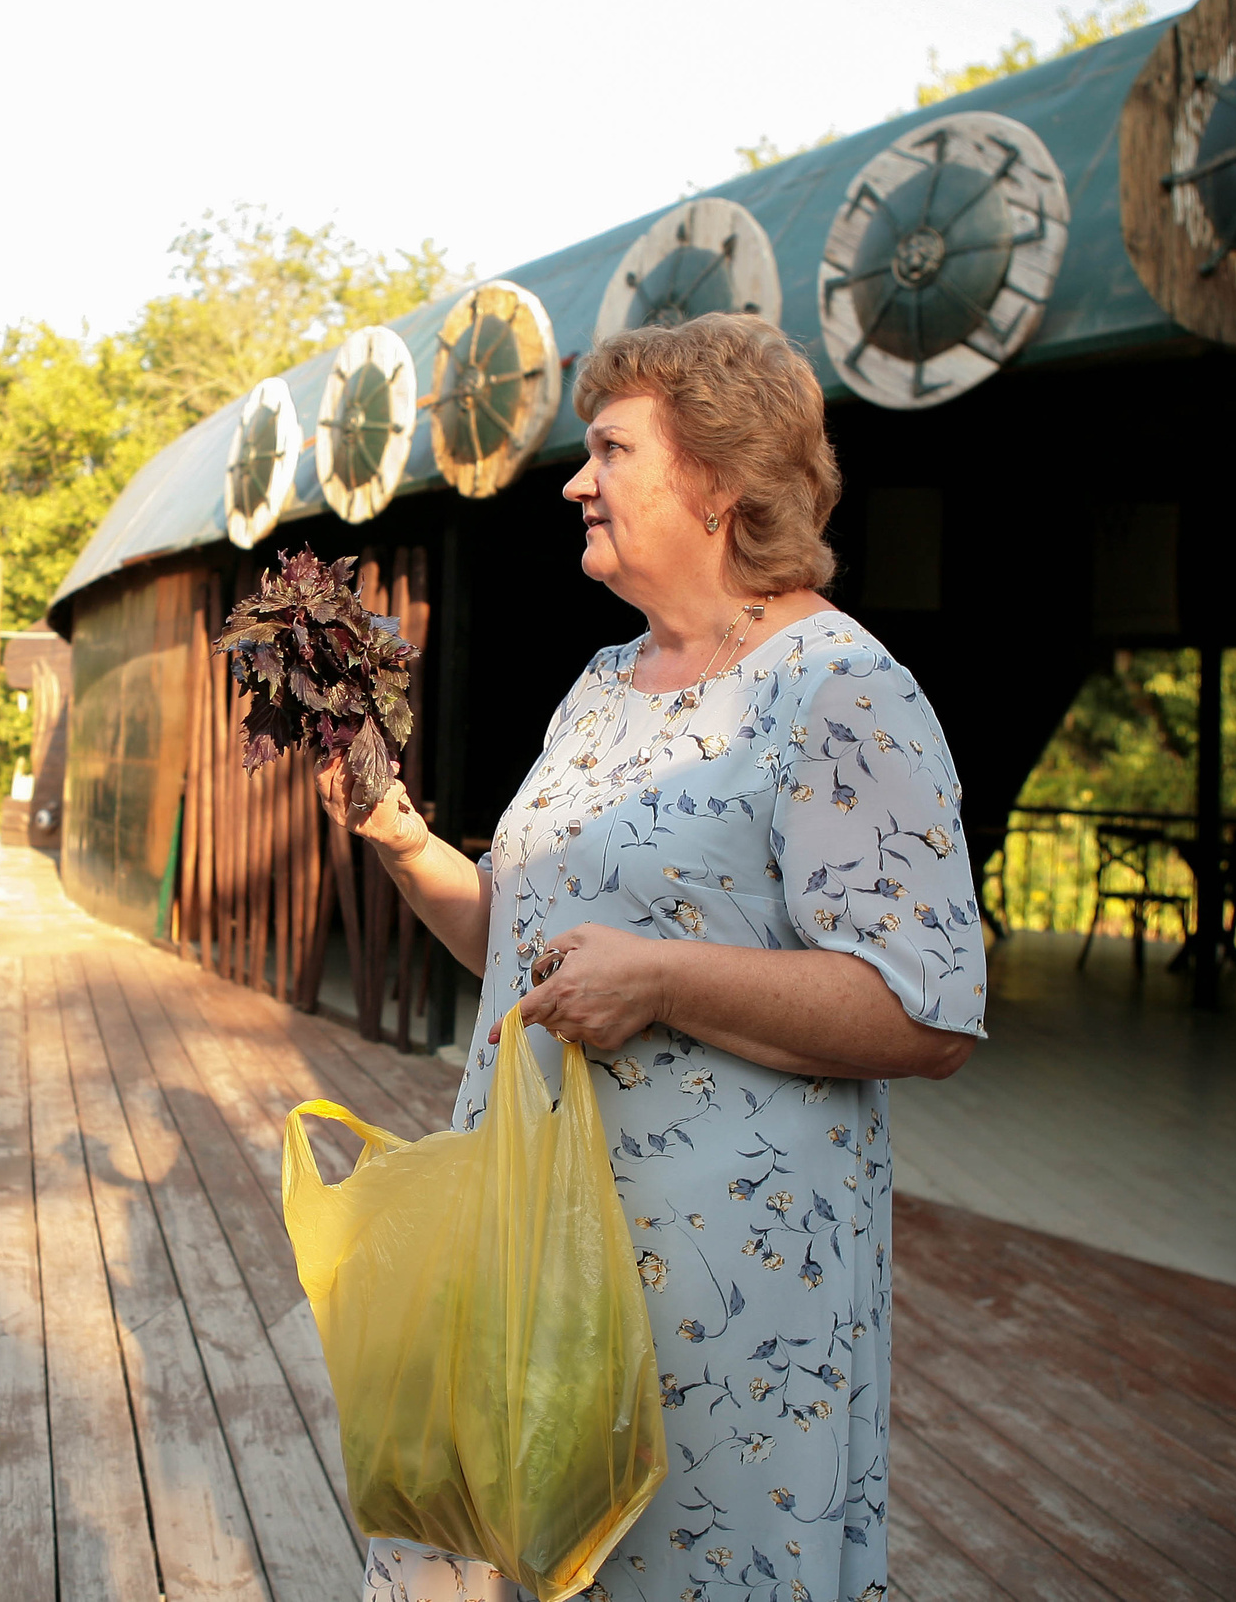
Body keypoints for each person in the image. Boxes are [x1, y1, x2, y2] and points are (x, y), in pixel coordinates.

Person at [321, 312, 983, 1602]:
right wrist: (401, 839)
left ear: (721, 485)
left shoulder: (841, 690)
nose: (575, 480)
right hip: (527, 1250)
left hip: (717, 1305)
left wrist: (664, 978)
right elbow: (527, 946)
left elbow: (924, 1012)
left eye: (611, 449)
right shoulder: (605, 683)